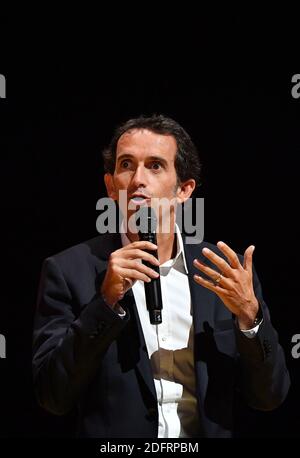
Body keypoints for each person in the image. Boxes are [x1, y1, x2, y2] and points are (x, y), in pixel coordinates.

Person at [32, 114, 290, 438]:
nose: (138, 178)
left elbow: (270, 396)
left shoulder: (225, 271)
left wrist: (250, 318)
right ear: (111, 186)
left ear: (184, 189)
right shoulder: (68, 271)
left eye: (155, 166)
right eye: (126, 165)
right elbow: (52, 395)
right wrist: (105, 302)